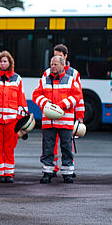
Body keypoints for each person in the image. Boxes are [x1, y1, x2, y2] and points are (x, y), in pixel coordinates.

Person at [33, 55, 82, 184]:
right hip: (48, 122)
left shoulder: (71, 80)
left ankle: (67, 173)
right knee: (48, 148)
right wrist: (46, 104)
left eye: (55, 64)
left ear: (62, 65)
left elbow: (77, 96)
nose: (52, 67)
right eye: (51, 64)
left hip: (65, 122)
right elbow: (36, 95)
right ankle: (47, 172)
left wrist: (61, 105)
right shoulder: (44, 80)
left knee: (66, 148)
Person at [0, 51, 27, 183]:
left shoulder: (17, 79)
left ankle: (9, 173)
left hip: (12, 120)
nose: (2, 64)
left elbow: (22, 100)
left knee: (9, 147)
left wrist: (21, 119)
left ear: (10, 63)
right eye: (1, 61)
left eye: (5, 61)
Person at [43, 44, 84, 177]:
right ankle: (52, 168)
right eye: (55, 56)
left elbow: (79, 96)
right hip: (50, 119)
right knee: (50, 145)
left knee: (67, 145)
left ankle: (68, 170)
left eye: (59, 56)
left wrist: (80, 116)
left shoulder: (74, 74)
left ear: (65, 57)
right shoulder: (47, 74)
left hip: (66, 117)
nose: (56, 59)